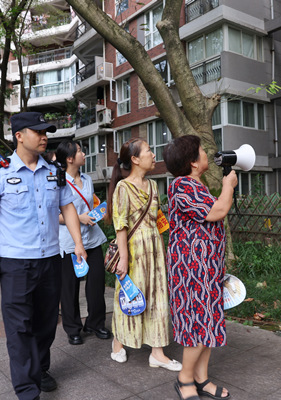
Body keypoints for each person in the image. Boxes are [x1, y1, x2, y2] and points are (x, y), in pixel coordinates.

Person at [0, 112, 87, 400]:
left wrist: (77, 243)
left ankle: (39, 368)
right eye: (37, 131)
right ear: (19, 136)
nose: (44, 136)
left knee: (47, 323)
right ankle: (27, 390)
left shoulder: (53, 171)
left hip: (51, 259)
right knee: (19, 327)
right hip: (16, 264)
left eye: (46, 132)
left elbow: (68, 208)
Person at [163, 135, 237, 400]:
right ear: (193, 162)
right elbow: (217, 211)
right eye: (203, 150)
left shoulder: (194, 184)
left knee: (207, 323)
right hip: (192, 269)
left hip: (205, 267)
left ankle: (201, 378)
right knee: (198, 324)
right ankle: (184, 379)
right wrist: (228, 185)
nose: (208, 154)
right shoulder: (183, 185)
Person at [105, 137, 181, 371]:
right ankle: (118, 343)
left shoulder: (154, 185)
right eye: (149, 151)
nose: (153, 154)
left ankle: (157, 353)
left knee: (158, 298)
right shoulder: (122, 187)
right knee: (131, 298)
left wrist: (165, 247)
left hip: (154, 249)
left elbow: (158, 221)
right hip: (134, 251)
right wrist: (124, 259)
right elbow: (120, 225)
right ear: (135, 159)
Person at [56, 140, 110, 346]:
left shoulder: (87, 179)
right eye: (79, 151)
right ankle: (73, 328)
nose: (84, 154)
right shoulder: (59, 182)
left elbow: (91, 202)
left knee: (96, 282)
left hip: (92, 238)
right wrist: (79, 218)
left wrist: (98, 213)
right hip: (69, 242)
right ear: (69, 158)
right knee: (69, 287)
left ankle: (95, 323)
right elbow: (54, 216)